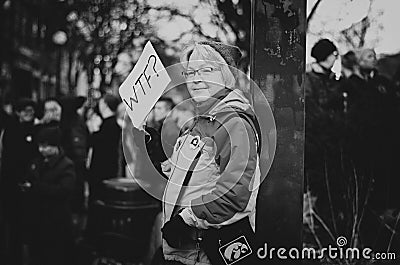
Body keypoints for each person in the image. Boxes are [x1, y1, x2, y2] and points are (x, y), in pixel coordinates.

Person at [160, 41, 261, 265]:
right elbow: (202, 175)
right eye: (191, 71)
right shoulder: (200, 120)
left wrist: (187, 220)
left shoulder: (232, 122)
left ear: (226, 75)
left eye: (207, 70)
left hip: (206, 250)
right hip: (187, 250)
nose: (196, 79)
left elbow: (235, 193)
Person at [19, 126, 75, 265]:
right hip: (37, 220)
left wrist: (37, 188)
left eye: (45, 146)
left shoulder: (66, 165)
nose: (41, 150)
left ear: (55, 145)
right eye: (40, 146)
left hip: (56, 221)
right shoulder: (37, 162)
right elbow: (30, 178)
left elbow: (64, 190)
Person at [0, 98, 39, 265]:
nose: (29, 114)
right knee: (14, 223)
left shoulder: (34, 129)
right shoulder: (11, 129)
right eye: (25, 111)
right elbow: (11, 157)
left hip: (28, 182)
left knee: (26, 222)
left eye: (31, 111)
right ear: (18, 112)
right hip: (12, 182)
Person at [88, 94, 121, 199]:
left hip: (102, 169)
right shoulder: (111, 123)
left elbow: (99, 145)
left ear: (105, 105)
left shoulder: (109, 125)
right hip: (107, 168)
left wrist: (95, 130)